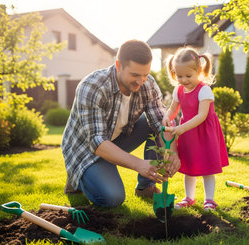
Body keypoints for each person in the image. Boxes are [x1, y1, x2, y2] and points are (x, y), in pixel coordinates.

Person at [61, 40, 180, 208]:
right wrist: (138, 164)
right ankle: (77, 177)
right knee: (112, 198)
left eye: (145, 74)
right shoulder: (93, 86)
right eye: (135, 75)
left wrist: (171, 152)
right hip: (86, 151)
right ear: (118, 65)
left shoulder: (148, 84)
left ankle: (146, 186)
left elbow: (162, 123)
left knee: (156, 123)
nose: (141, 81)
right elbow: (97, 142)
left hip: (116, 139)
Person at [162, 47, 229, 211]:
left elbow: (202, 116)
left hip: (203, 133)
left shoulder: (204, 90)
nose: (183, 80)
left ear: (199, 71)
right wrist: (166, 117)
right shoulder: (178, 90)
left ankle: (209, 200)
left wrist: (181, 127)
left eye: (188, 76)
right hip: (187, 133)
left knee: (206, 167)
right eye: (179, 76)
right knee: (189, 167)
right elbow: (173, 110)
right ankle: (189, 198)